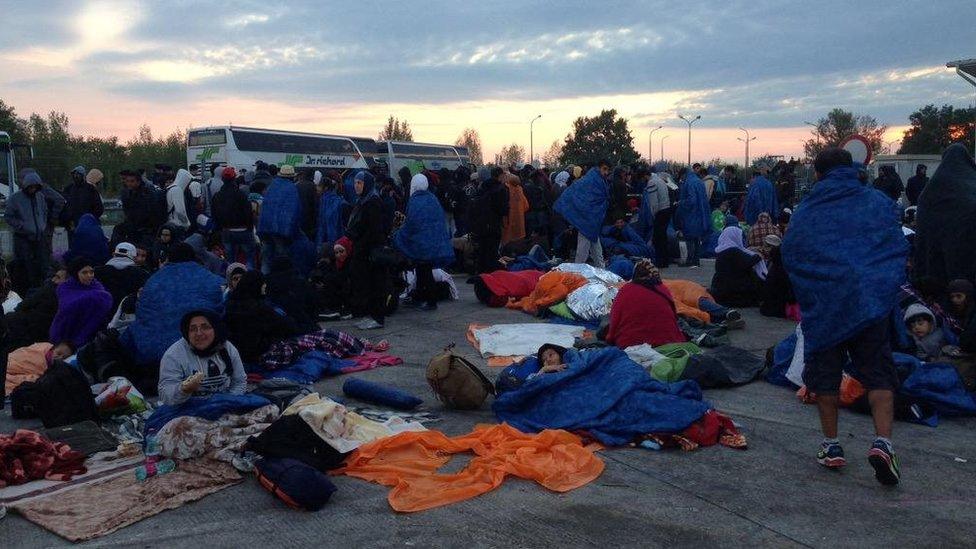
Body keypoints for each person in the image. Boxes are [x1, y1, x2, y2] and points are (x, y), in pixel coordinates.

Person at [782, 147, 907, 485]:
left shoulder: (808, 210)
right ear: (851, 169)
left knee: (826, 376)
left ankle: (832, 445)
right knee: (879, 373)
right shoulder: (877, 202)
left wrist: (813, 287)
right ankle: (883, 442)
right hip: (869, 304)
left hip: (827, 307)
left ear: (818, 174)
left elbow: (792, 252)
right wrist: (879, 286)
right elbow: (895, 245)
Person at [913, 144, 976, 286]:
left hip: (934, 267)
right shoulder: (972, 185)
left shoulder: (929, 192)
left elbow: (922, 234)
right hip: (967, 262)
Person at [158, 310, 246, 406]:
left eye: (205, 327)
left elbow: (239, 382)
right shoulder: (173, 355)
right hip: (187, 408)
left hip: (225, 404)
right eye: (193, 329)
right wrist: (183, 390)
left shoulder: (226, 348)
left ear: (216, 329)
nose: (199, 333)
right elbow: (166, 395)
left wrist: (228, 403)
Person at [394, 174, 455, 311]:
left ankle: (430, 301)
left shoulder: (414, 201)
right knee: (423, 270)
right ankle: (422, 297)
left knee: (424, 272)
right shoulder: (432, 198)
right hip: (432, 241)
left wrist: (399, 235)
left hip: (420, 243)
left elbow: (411, 223)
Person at [346, 170, 391, 329]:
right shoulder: (363, 200)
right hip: (364, 249)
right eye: (356, 183)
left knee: (375, 284)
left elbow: (373, 230)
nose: (357, 186)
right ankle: (370, 315)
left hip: (371, 251)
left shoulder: (372, 202)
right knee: (366, 284)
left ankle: (377, 317)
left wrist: (361, 243)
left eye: (360, 183)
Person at [225, 271, 301, 364]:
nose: (265, 285)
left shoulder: (230, 304)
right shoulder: (258, 307)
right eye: (262, 283)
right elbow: (288, 327)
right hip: (257, 355)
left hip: (237, 355)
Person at [605, 259, 685, 348]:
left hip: (630, 343)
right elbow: (674, 317)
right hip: (667, 341)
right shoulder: (663, 290)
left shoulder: (625, 291)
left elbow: (615, 318)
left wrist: (610, 338)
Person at [49, 256, 114, 360]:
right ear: (76, 274)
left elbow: (103, 306)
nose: (89, 275)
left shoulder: (98, 289)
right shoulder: (66, 288)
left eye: (91, 272)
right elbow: (65, 309)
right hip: (65, 333)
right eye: (84, 272)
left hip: (90, 336)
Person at [554, 160, 611, 268]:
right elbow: (580, 198)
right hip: (587, 221)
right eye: (604, 169)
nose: (606, 172)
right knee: (583, 252)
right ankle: (578, 274)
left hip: (591, 222)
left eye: (608, 170)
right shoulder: (591, 180)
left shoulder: (598, 180)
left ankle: (601, 271)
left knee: (594, 251)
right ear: (598, 168)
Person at [5, 171, 52, 289]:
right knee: (26, 266)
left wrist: (43, 225)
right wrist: (21, 226)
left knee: (43, 264)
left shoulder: (40, 197)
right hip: (23, 238)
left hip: (39, 237)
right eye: (30, 187)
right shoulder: (15, 199)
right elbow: (8, 217)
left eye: (35, 187)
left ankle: (42, 288)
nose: (33, 189)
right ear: (26, 186)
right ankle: (27, 289)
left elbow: (44, 212)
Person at [4, 263, 66, 350]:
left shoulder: (49, 290)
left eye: (58, 277)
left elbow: (22, 305)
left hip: (30, 327)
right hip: (39, 332)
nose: (54, 279)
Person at [257, 164, 302, 274]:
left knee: (266, 260)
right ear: (292, 177)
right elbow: (294, 212)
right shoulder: (292, 189)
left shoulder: (272, 186)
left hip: (265, 228)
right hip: (281, 230)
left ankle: (264, 283)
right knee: (282, 260)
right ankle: (280, 283)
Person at [212, 169, 257, 269]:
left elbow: (214, 215)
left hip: (226, 231)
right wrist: (249, 228)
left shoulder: (217, 196)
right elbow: (248, 213)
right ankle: (250, 281)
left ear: (222, 179)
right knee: (249, 258)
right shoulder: (241, 194)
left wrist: (220, 229)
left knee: (230, 261)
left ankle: (230, 280)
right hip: (243, 230)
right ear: (234, 179)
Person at [469, 167, 510, 274]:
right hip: (494, 224)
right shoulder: (501, 189)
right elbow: (503, 209)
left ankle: (480, 274)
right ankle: (490, 276)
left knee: (482, 250)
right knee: (492, 252)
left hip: (481, 224)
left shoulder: (482, 187)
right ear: (500, 175)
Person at [710, 226, 764, 307]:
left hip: (721, 288)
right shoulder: (733, 251)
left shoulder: (722, 250)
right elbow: (749, 262)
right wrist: (759, 255)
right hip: (734, 291)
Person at [94, 242, 150, 309]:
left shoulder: (97, 271)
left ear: (114, 254)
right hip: (126, 313)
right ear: (134, 257)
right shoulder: (142, 274)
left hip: (100, 309)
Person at [675, 167, 711, 268]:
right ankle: (696, 260)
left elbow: (692, 200)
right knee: (697, 238)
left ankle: (690, 260)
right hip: (700, 213)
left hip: (691, 214)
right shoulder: (699, 181)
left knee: (689, 237)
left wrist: (681, 203)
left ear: (683, 175)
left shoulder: (689, 183)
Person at [118, 169, 164, 246]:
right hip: (133, 230)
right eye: (127, 181)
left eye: (132, 181)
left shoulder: (148, 194)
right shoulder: (126, 194)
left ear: (138, 182)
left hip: (147, 231)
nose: (129, 184)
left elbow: (153, 213)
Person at [642, 170, 673, 267]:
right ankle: (665, 260)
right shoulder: (660, 180)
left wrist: (653, 214)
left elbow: (653, 203)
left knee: (658, 238)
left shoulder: (651, 183)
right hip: (667, 209)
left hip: (660, 212)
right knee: (663, 237)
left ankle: (660, 261)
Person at [61, 166, 105, 233]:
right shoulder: (68, 189)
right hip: (72, 225)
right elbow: (64, 206)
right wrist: (67, 221)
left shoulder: (90, 189)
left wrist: (90, 219)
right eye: (74, 174)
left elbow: (99, 208)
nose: (75, 176)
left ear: (83, 176)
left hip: (88, 225)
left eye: (78, 174)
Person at [315, 177, 349, 250]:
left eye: (319, 186)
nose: (317, 188)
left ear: (326, 188)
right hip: (334, 241)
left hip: (330, 242)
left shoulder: (328, 201)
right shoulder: (330, 200)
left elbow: (327, 224)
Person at [500, 172, 530, 246]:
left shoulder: (504, 190)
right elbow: (526, 206)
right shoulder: (520, 190)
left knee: (507, 248)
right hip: (520, 226)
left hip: (507, 223)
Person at [296, 169, 319, 240]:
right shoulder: (312, 186)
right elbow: (315, 205)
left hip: (298, 217)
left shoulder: (297, 185)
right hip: (309, 219)